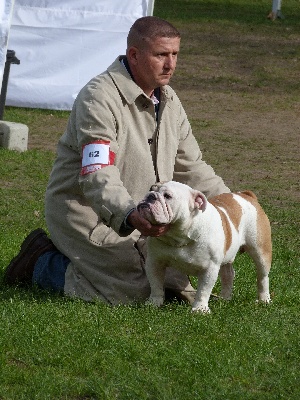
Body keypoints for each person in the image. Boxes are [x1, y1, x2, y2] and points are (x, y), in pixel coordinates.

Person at [4, 16, 230, 305]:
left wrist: (234, 207)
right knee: (135, 290)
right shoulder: (98, 97)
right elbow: (98, 172)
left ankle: (94, 262)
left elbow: (192, 166)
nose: (171, 64)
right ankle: (39, 262)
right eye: (161, 55)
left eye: (175, 54)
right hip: (88, 212)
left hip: (147, 214)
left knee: (174, 287)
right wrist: (128, 213)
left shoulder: (170, 100)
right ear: (134, 55)